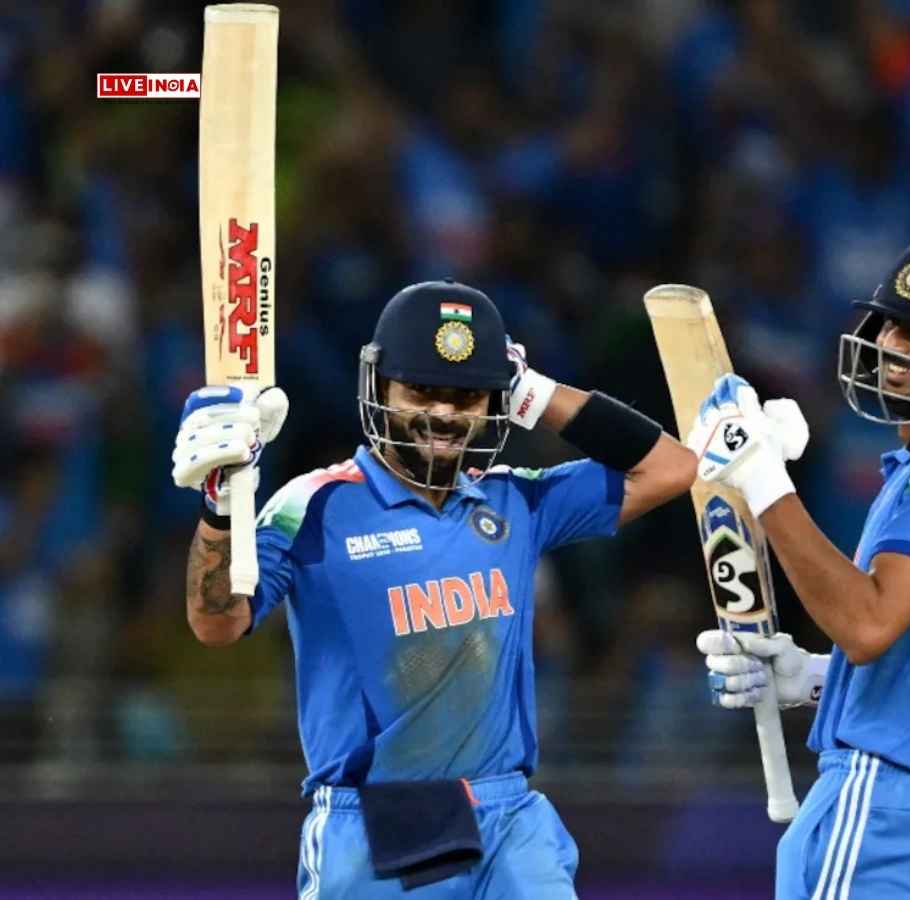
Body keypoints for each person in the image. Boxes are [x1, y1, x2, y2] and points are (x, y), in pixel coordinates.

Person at [171, 280, 697, 898]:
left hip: (509, 818)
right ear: (379, 389)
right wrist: (219, 508)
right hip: (375, 824)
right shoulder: (312, 506)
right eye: (421, 391)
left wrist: (534, 392)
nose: (444, 415)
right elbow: (217, 623)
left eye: (466, 396)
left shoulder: (515, 499)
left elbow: (673, 467)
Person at [690, 238, 910, 899]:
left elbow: (868, 625)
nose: (895, 347)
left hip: (883, 812)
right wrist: (818, 679)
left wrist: (762, 480)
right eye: (892, 324)